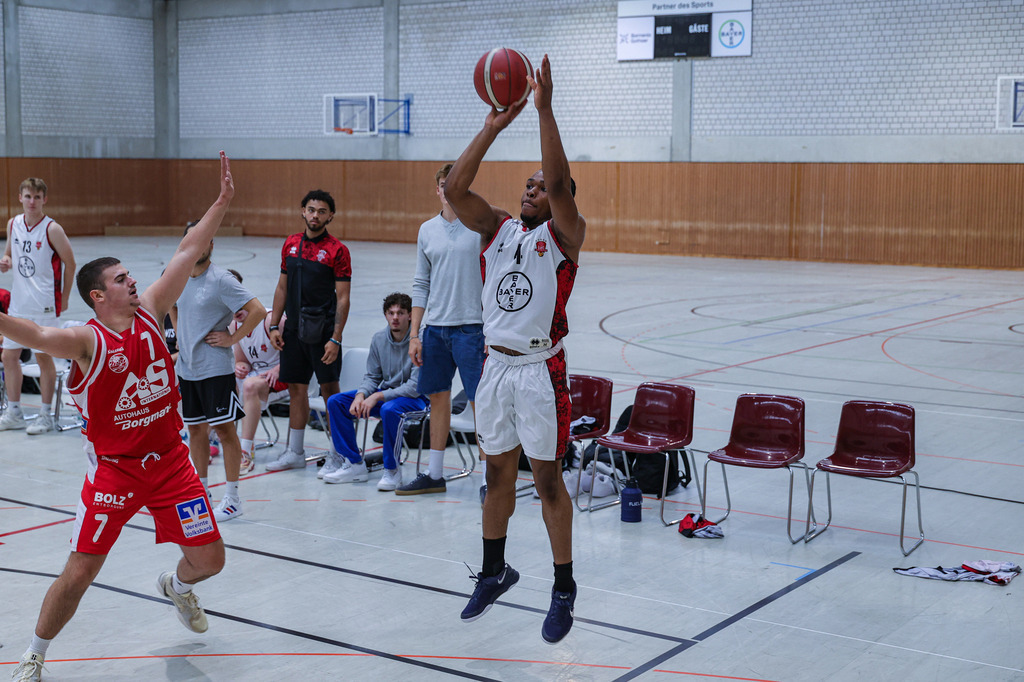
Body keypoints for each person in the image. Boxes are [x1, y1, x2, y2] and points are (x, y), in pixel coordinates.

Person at [6, 152, 234, 682]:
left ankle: (178, 587)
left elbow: (188, 249)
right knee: (81, 570)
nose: (133, 282)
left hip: (171, 463)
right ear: (98, 295)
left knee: (211, 560)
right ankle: (34, 655)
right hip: (116, 469)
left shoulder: (151, 310)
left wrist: (222, 201)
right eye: (121, 279)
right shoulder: (86, 341)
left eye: (131, 275)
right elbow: (35, 334)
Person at [443, 55, 586, 644]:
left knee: (547, 482)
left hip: (538, 370)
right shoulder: (498, 229)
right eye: (526, 185)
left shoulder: (565, 237)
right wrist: (493, 125)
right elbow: (454, 189)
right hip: (494, 368)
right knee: (496, 475)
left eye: (541, 187)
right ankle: (494, 570)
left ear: (559, 199)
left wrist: (544, 111)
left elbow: (558, 180)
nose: (532, 190)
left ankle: (563, 587)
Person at [396, 163, 486, 497]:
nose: (449, 189)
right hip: (435, 330)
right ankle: (434, 474)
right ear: (437, 190)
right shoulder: (427, 230)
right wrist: (415, 334)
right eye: (444, 184)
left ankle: (489, 479)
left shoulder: (480, 226)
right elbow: (421, 283)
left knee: (480, 403)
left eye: (455, 183)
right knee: (437, 399)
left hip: (472, 329)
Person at [175, 228, 266, 522]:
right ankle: (202, 493)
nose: (198, 246)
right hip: (187, 369)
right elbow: (171, 306)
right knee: (196, 431)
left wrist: (232, 338)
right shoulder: (176, 275)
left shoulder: (221, 279)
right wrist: (180, 337)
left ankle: (232, 499)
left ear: (211, 245)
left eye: (204, 240)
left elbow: (257, 310)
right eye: (193, 240)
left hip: (215, 369)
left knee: (225, 431)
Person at [264, 190, 351, 475]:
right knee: (296, 389)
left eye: (322, 211)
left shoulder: (338, 250)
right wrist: (274, 325)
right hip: (293, 330)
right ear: (303, 211)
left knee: (330, 392)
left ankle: (339, 453)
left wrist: (336, 338)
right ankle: (295, 452)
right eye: (311, 210)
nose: (315, 215)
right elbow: (282, 287)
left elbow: (343, 298)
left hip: (323, 333)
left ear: (330, 216)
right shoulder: (290, 244)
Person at [323, 292, 427, 489]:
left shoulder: (421, 340)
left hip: (417, 399)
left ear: (410, 316)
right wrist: (361, 395)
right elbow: (372, 377)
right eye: (391, 313)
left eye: (400, 313)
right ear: (385, 315)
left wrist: (378, 396)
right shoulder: (379, 339)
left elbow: (414, 388)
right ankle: (354, 464)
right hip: (387, 396)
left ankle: (392, 470)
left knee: (389, 409)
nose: (395, 317)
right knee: (336, 402)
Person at [0, 178, 76, 435]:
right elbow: (9, 253)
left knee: (44, 357)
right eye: (28, 196)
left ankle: (45, 414)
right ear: (20, 198)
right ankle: (14, 412)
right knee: (9, 356)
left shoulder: (52, 229)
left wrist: (65, 297)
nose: (32, 201)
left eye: (37, 197)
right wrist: (6, 260)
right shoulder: (13, 224)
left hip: (44, 304)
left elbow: (70, 263)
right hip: (18, 304)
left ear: (45, 200)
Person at [232, 299, 287, 475]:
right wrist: (240, 367)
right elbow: (243, 361)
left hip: (286, 375)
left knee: (249, 385)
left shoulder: (272, 321)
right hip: (259, 378)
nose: (235, 310)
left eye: (239, 304)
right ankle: (213, 439)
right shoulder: (234, 325)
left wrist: (278, 369)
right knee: (224, 380)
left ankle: (245, 451)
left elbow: (299, 353)